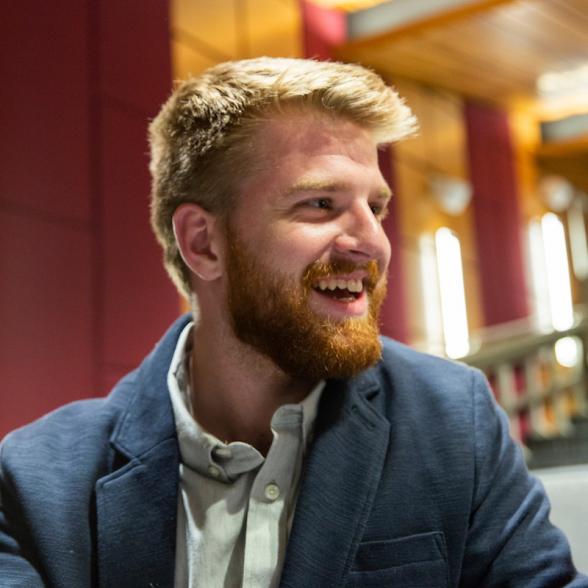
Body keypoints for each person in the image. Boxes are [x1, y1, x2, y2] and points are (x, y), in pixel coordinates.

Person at [0, 57, 585, 588]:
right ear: (203, 243)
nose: (372, 243)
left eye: (376, 207)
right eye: (320, 204)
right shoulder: (36, 481)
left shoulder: (454, 421)